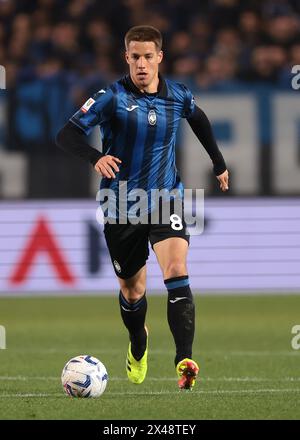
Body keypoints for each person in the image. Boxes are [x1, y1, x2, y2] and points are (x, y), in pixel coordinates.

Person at [56, 25, 229, 390]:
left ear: (159, 58)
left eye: (148, 56)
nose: (141, 64)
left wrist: (218, 163)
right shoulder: (111, 97)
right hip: (121, 204)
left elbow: (199, 120)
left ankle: (185, 359)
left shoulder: (178, 94)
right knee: (133, 292)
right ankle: (138, 343)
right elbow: (67, 134)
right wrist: (95, 157)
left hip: (168, 197)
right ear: (126, 58)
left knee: (177, 268)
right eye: (134, 57)